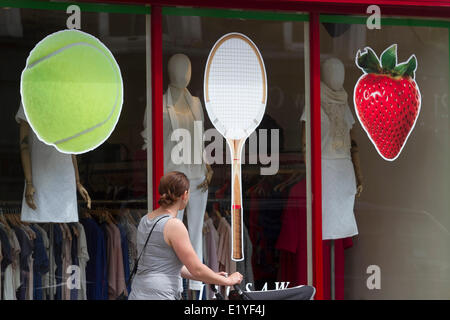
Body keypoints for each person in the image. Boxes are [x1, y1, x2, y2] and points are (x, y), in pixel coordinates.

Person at [129, 171, 243, 300]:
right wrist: (228, 281)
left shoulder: (145, 219)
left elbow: (174, 266)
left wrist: (212, 276)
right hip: (162, 294)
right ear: (185, 194)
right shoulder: (174, 225)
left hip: (139, 292)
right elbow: (196, 269)